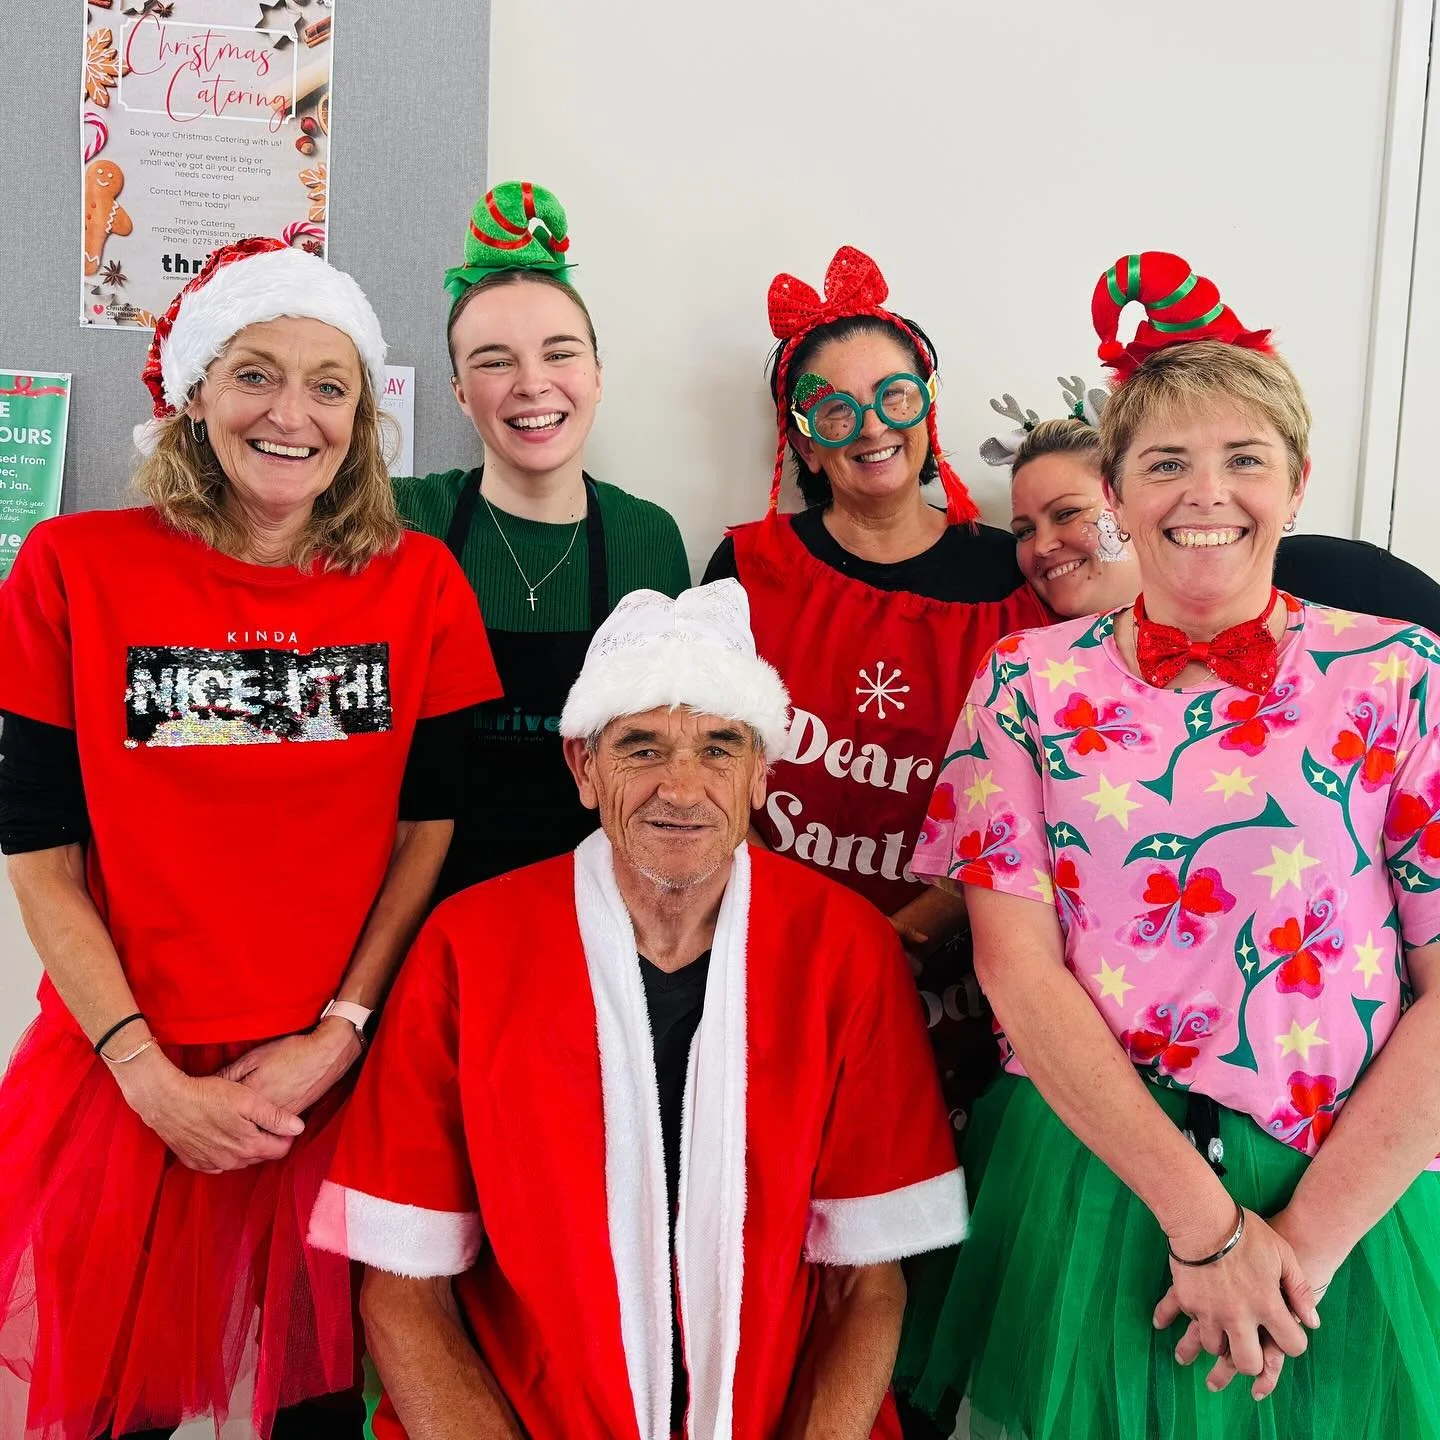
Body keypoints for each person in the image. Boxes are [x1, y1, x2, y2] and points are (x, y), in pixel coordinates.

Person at [898, 251, 1440, 1440]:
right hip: (1094, 1177)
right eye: (1165, 463)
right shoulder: (1023, 683)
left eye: (1244, 457)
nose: (1207, 492)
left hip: (1338, 1189)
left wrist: (1294, 1255)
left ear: (1297, 482)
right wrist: (1205, 1230)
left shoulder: (1402, 675)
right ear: (1118, 491)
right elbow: (1014, 966)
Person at [0, 237, 500, 1439]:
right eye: (255, 375)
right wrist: (148, 1078)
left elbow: (427, 834)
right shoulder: (71, 569)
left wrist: (338, 1033)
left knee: (318, 1408)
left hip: (336, 1083)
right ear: (193, 393)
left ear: (361, 420)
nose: (292, 414)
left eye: (329, 385)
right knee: (118, 1409)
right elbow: (39, 857)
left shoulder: (422, 583)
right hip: (129, 1080)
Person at [309, 580, 968, 1440]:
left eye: (719, 747)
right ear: (584, 769)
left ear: (762, 774)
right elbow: (402, 1288)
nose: (681, 789)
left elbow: (866, 1281)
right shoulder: (466, 945)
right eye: (642, 747)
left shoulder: (847, 950)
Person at [703, 244, 1047, 1145]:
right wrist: (812, 938)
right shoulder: (746, 568)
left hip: (968, 975)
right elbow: (702, 770)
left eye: (893, 396)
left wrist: (905, 938)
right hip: (777, 957)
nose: (870, 426)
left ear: (927, 405)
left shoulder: (1017, 580)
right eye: (834, 408)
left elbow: (1034, 801)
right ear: (802, 441)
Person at [394, 181, 691, 898]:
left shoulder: (649, 536)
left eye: (560, 354)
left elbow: (665, 764)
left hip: (597, 910)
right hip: (424, 908)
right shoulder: (402, 520)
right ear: (459, 391)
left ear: (597, 374)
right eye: (494, 361)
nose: (532, 384)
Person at [990, 379, 1440, 628]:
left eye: (1067, 513)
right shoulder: (1022, 672)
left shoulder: (1355, 593)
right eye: (1024, 530)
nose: (1042, 545)